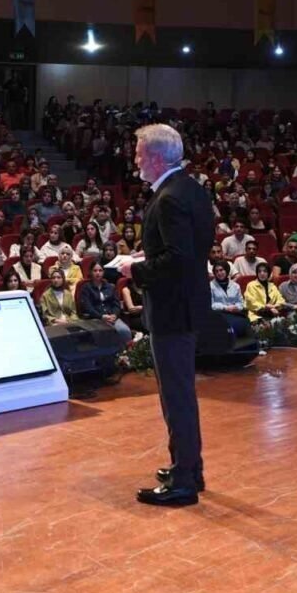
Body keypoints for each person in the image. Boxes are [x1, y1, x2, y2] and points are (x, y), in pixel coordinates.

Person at [116, 124, 215, 506]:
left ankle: (184, 481)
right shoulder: (191, 188)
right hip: (186, 305)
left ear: (156, 158)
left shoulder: (169, 199)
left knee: (177, 397)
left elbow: (178, 259)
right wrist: (148, 256)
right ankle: (189, 467)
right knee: (180, 394)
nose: (135, 159)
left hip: (172, 310)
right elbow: (186, 249)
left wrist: (134, 269)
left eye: (139, 153)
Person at [78, 262, 131, 343]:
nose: (98, 273)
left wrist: (114, 315)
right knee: (102, 333)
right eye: (95, 271)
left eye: (100, 270)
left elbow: (116, 304)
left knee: (124, 330)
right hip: (95, 318)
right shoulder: (86, 288)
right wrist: (101, 316)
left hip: (112, 317)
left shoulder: (110, 287)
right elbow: (88, 307)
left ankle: (126, 350)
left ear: (103, 272)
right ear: (91, 272)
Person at [209, 262, 248, 337]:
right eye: (216, 271)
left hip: (235, 313)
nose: (219, 273)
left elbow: (240, 302)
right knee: (229, 328)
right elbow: (211, 304)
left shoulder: (235, 285)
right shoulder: (210, 286)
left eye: (221, 270)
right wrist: (225, 307)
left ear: (226, 270)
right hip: (219, 314)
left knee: (243, 326)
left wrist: (236, 307)